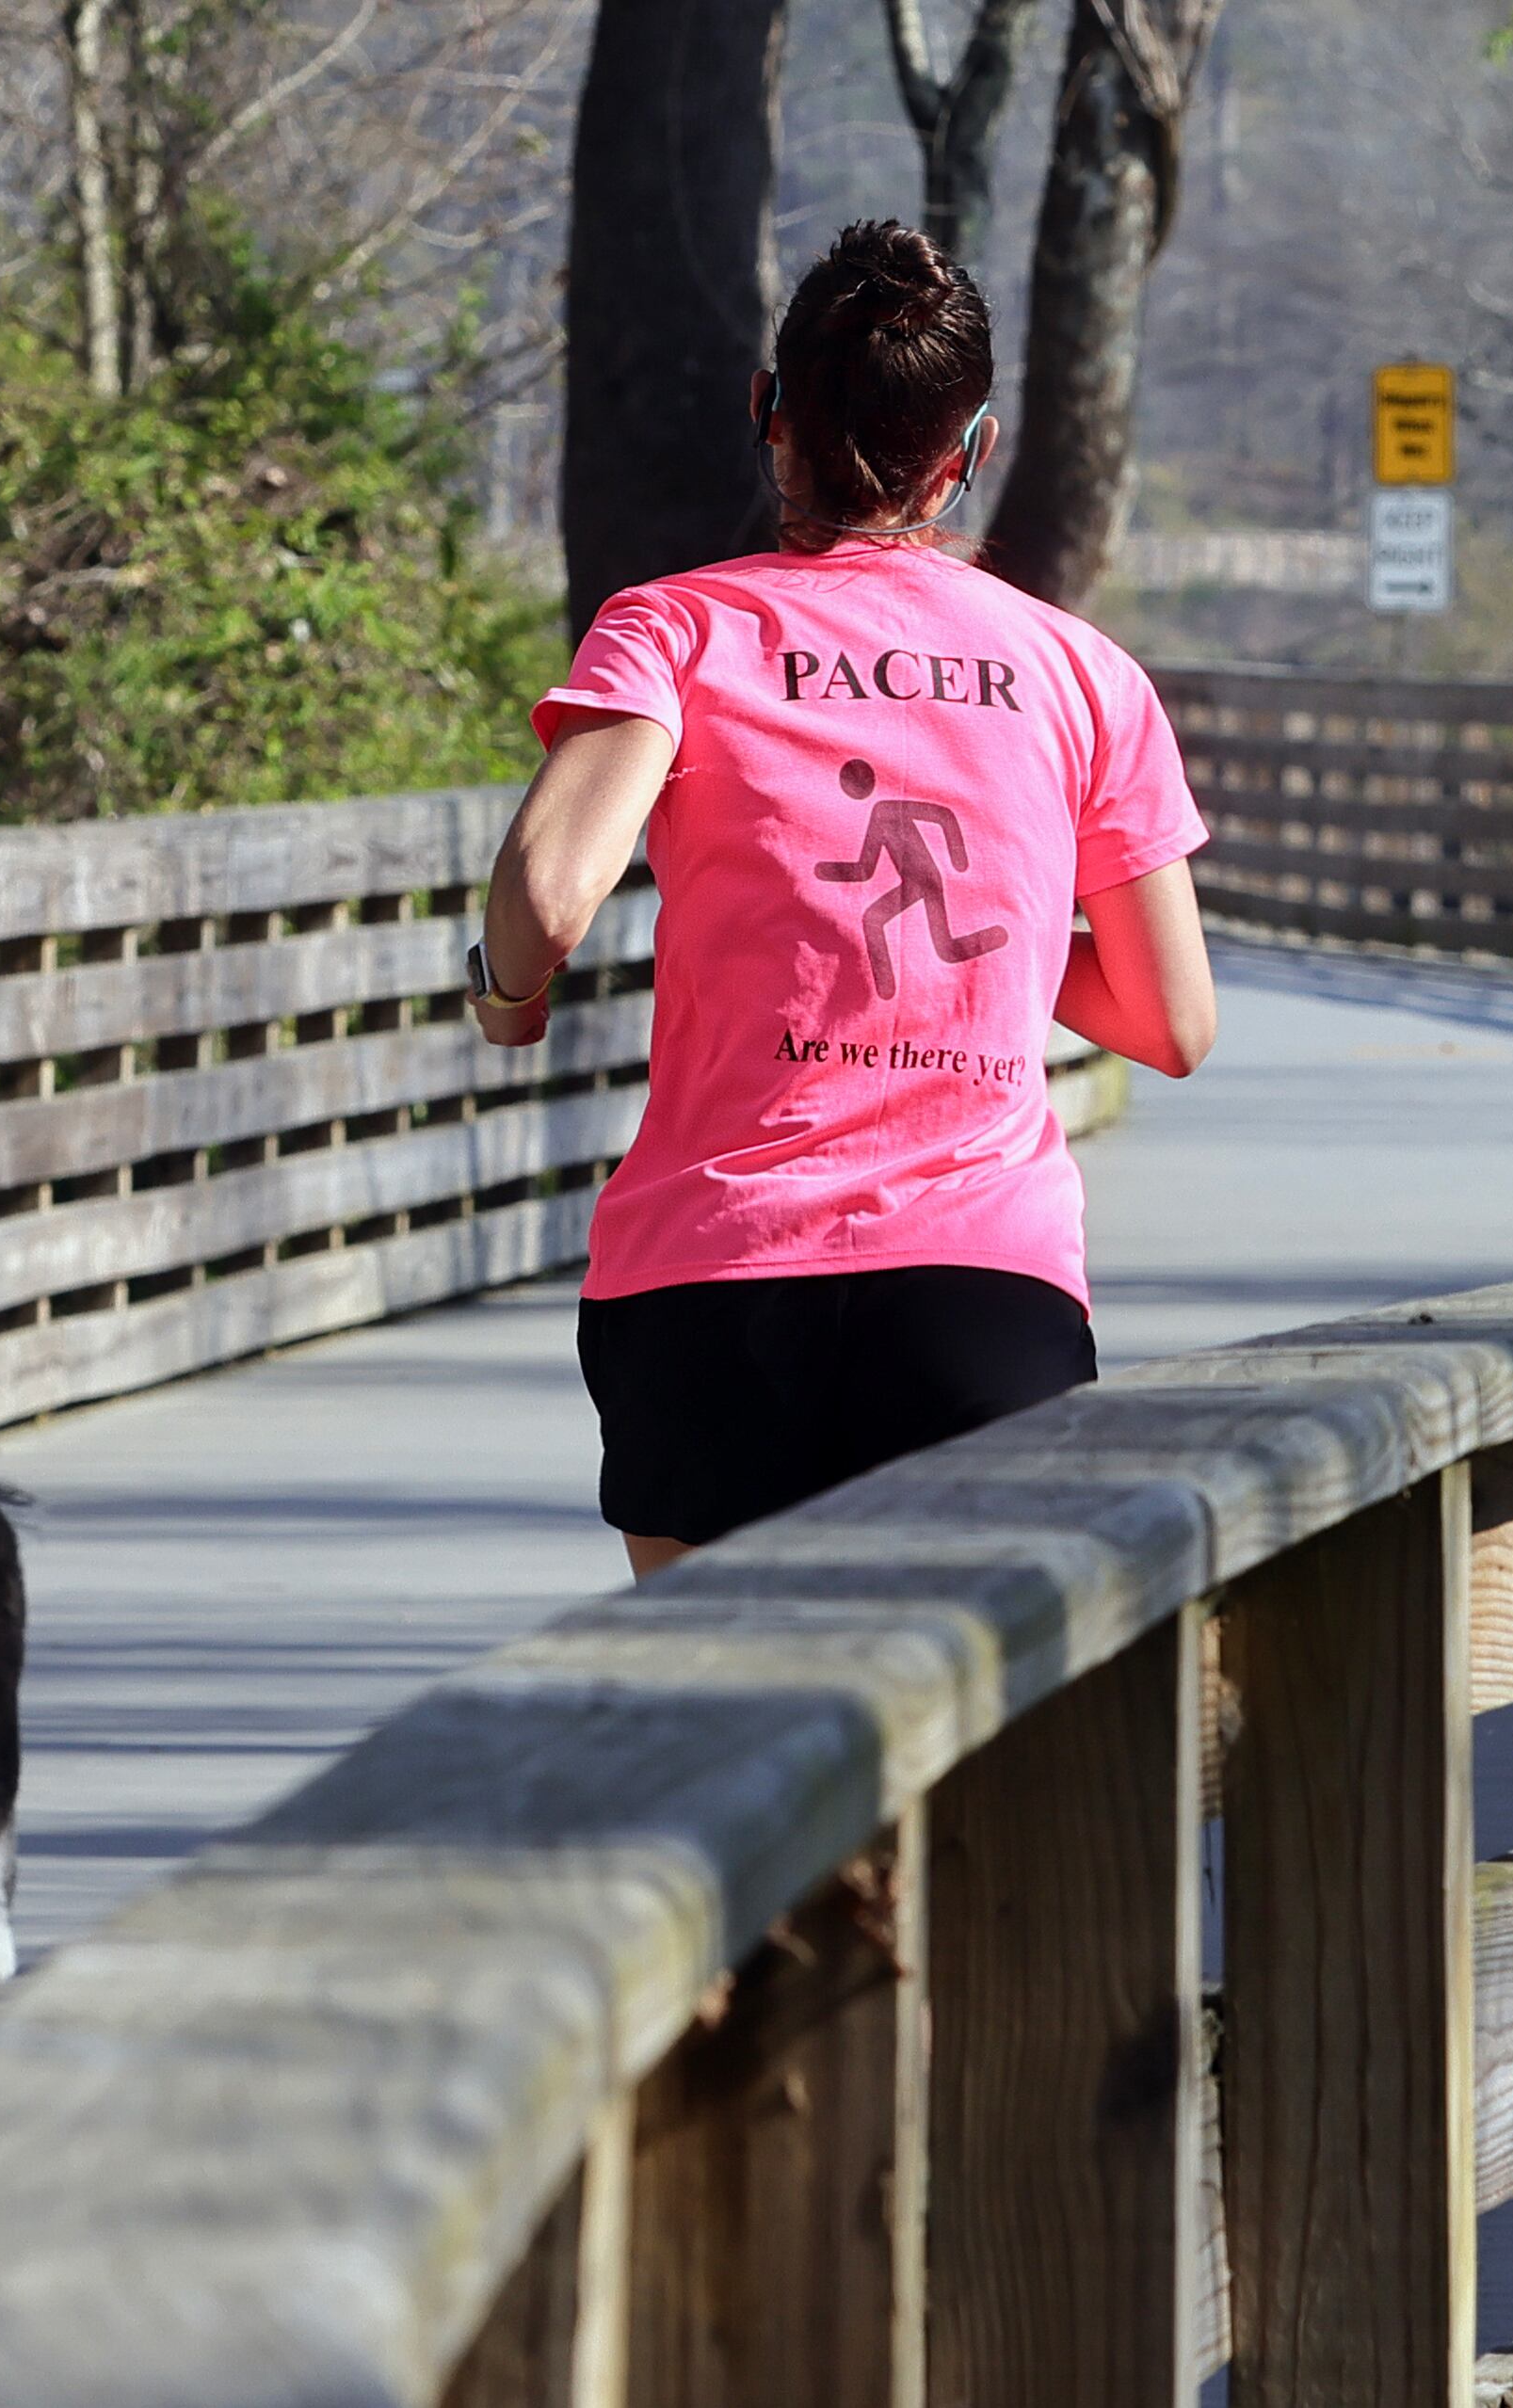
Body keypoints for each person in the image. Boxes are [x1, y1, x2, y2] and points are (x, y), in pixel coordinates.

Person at [472, 219, 1215, 1579]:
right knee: (987, 1759)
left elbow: (547, 887)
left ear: (771, 415)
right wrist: (1009, 939)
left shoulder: (676, 630)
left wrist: (508, 997)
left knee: (720, 1748)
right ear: (970, 451)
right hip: (981, 1298)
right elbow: (1173, 1022)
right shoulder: (1081, 673)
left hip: (714, 1292)